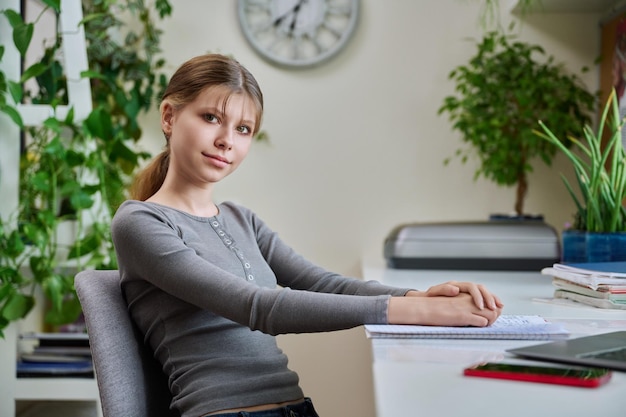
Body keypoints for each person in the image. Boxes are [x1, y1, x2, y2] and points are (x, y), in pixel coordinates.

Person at [111, 53, 504, 417]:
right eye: (211, 118)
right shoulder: (140, 223)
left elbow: (323, 283)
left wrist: (417, 296)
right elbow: (259, 308)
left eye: (243, 128)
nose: (227, 140)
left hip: (296, 408)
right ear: (168, 116)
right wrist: (415, 314)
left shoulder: (241, 218)